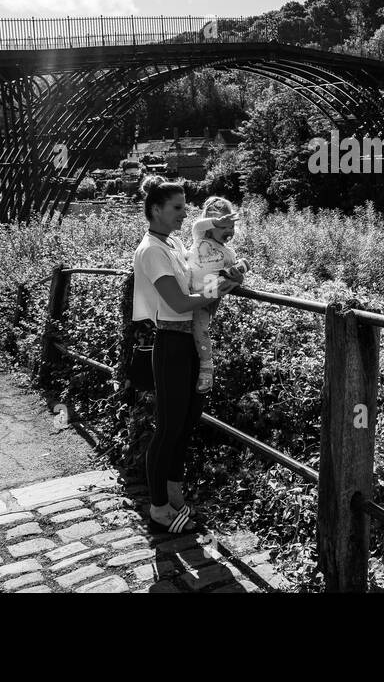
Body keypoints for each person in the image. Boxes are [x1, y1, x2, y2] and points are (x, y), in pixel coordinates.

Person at [133, 175, 236, 534]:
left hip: (189, 342)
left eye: (184, 207)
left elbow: (198, 292)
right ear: (156, 209)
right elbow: (179, 303)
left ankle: (174, 496)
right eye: (177, 208)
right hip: (172, 345)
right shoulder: (152, 250)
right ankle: (159, 508)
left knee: (187, 422)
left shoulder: (174, 244)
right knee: (168, 429)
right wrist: (223, 286)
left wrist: (226, 278)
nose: (183, 214)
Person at [185, 196, 250, 394]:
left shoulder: (229, 253)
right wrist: (216, 221)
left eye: (231, 227)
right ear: (211, 226)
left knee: (200, 329)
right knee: (187, 331)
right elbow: (197, 224)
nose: (229, 231)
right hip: (188, 290)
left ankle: (206, 368)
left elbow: (232, 279)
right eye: (223, 226)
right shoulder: (200, 237)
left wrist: (238, 279)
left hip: (208, 294)